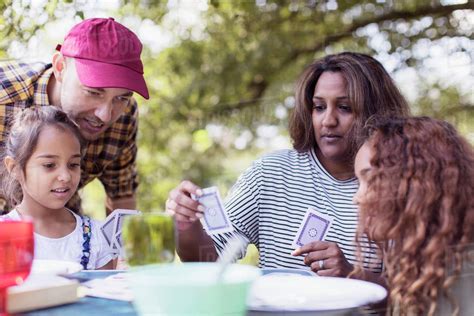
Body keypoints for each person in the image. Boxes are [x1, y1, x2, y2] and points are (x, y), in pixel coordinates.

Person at [166, 52, 410, 283]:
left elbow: (417, 291)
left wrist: (351, 275)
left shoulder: (402, 183)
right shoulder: (270, 174)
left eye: (344, 107)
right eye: (319, 107)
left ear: (376, 113)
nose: (328, 120)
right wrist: (186, 224)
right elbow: (208, 262)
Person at [0, 17, 149, 215]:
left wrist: (123, 245)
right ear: (60, 67)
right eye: (94, 92)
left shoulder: (124, 114)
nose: (105, 116)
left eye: (121, 98)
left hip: (62, 227)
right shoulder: (4, 98)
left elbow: (122, 194)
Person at [353, 116, 474, 315]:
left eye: (371, 179)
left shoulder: (460, 271)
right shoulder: (421, 261)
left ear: (416, 184)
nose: (357, 198)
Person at [0, 106, 115, 269]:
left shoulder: (94, 236)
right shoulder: (3, 234)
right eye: (49, 165)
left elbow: (106, 292)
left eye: (73, 164)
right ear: (15, 168)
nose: (66, 176)